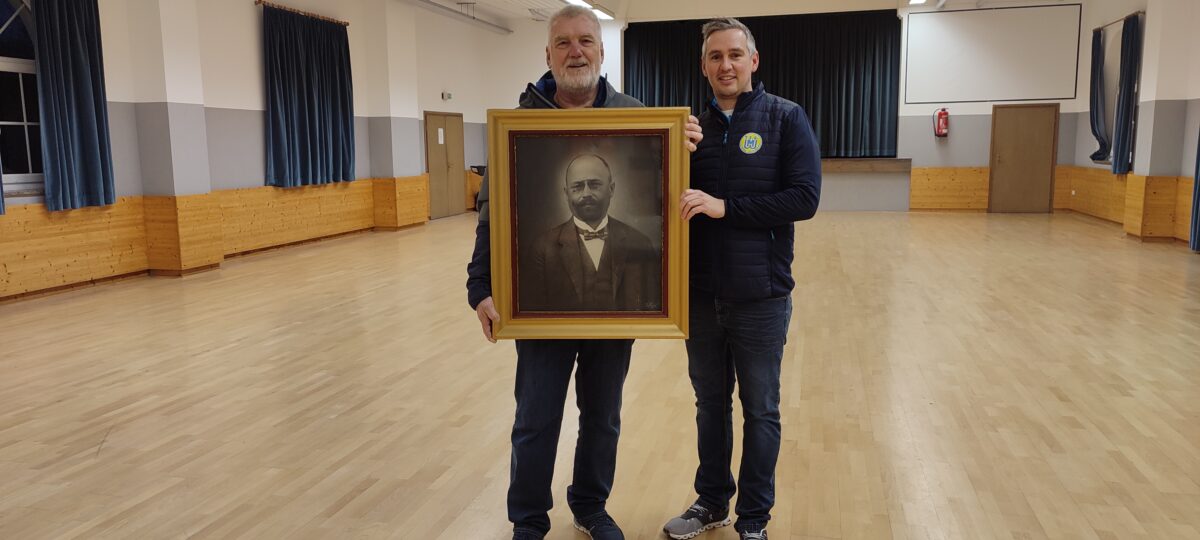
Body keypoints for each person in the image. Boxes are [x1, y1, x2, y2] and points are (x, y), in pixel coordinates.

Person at [465, 6, 702, 540]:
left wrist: (688, 150)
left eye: (586, 41)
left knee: (603, 417)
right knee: (535, 420)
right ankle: (527, 519)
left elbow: (674, 205)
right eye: (564, 43)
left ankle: (590, 506)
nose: (576, 51)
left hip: (615, 307)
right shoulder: (520, 122)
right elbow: (492, 214)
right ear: (547, 54)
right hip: (538, 305)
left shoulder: (640, 116)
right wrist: (480, 286)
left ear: (601, 49)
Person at [662, 17, 821, 540]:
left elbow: (805, 198)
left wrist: (726, 207)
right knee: (710, 406)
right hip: (701, 296)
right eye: (715, 56)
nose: (725, 65)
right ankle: (711, 503)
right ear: (704, 66)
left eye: (735, 54)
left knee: (761, 410)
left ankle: (754, 519)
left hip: (762, 296)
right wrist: (672, 159)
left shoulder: (786, 118)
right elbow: (663, 203)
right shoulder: (688, 131)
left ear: (754, 61)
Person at [520, 153, 661, 312]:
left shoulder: (640, 242)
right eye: (577, 187)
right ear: (567, 194)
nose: (586, 193)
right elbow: (532, 316)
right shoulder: (542, 248)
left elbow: (651, 306)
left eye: (594, 185)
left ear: (611, 189)